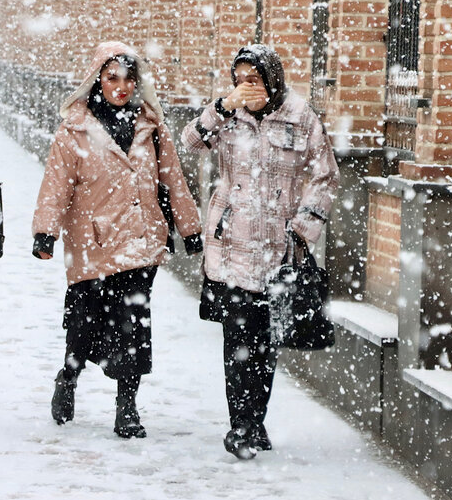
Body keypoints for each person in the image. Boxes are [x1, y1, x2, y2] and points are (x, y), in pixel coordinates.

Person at [31, 41, 203, 439]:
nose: (121, 86)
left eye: (128, 78)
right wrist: (45, 231)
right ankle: (69, 376)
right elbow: (56, 184)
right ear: (98, 81)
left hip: (142, 240)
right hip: (92, 244)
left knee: (134, 326)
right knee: (84, 325)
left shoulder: (152, 127)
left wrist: (189, 227)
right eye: (112, 78)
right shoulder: (74, 129)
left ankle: (127, 406)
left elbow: (173, 179)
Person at [180, 44, 337, 459]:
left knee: (266, 345)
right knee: (237, 342)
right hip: (231, 246)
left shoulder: (300, 116)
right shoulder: (230, 115)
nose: (247, 87)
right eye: (241, 78)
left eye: (254, 79)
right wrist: (221, 107)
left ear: (272, 79)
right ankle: (241, 425)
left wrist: (302, 229)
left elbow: (325, 175)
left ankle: (254, 420)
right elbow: (191, 141)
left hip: (277, 252)